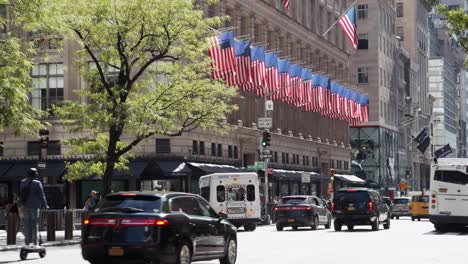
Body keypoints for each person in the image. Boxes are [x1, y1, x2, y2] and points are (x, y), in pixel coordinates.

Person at [20, 168, 48, 249]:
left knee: (27, 224)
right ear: (35, 174)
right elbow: (42, 195)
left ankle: (27, 243)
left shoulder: (22, 182)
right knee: (34, 225)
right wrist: (45, 205)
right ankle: (35, 243)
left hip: (25, 206)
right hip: (35, 207)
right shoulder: (37, 183)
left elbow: (21, 194)